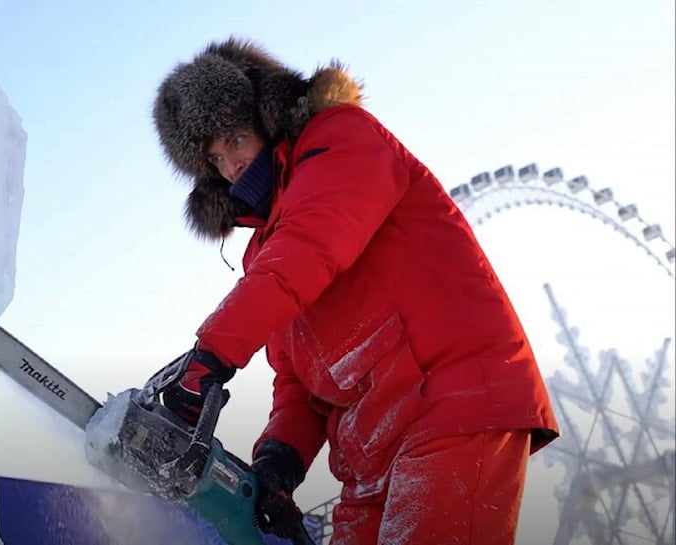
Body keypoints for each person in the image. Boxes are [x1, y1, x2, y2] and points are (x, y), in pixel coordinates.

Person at [150, 37, 560, 545]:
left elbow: (311, 245)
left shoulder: (341, 139)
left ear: (266, 117)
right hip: (369, 456)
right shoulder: (263, 250)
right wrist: (280, 459)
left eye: (235, 139)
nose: (231, 165)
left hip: (452, 403)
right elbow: (300, 381)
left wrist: (212, 355)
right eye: (214, 158)